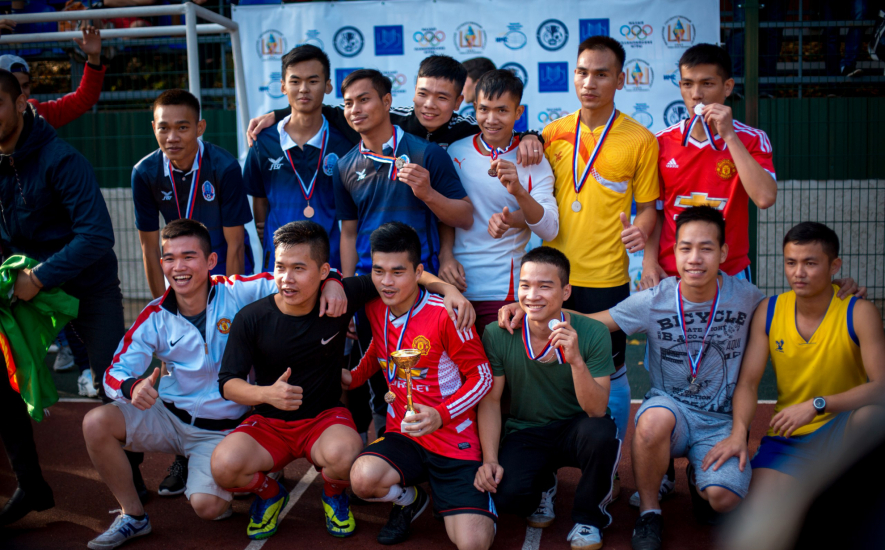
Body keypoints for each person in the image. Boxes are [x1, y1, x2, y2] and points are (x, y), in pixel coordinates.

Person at [211, 220, 473, 541]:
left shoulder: (342, 296)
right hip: (269, 424)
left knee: (349, 454)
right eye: (280, 267)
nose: (287, 278)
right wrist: (266, 394)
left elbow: (403, 274)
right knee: (223, 466)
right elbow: (228, 383)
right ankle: (271, 494)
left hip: (323, 421)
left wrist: (448, 290)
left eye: (298, 268)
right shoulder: (251, 317)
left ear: (323, 271)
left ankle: (333, 494)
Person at [84, 219, 303, 549]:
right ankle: (133, 516)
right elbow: (115, 371)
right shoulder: (154, 315)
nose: (179, 267)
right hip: (170, 417)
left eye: (189, 256)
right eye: (170, 258)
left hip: (221, 431)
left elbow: (292, 278)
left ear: (211, 260)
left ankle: (242, 473)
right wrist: (132, 387)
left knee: (208, 507)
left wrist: (331, 282)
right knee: (96, 423)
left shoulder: (237, 291)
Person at [0, 69, 128, 525]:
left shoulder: (61, 159)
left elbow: (97, 235)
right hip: (29, 291)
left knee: (114, 382)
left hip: (86, 286)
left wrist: (39, 276)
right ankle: (31, 484)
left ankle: (132, 477)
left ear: (20, 104)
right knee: (2, 379)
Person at [540, 34, 659, 482]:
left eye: (602, 74)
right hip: (554, 278)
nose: (590, 82)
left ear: (620, 80)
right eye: (582, 72)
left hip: (608, 278)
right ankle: (547, 476)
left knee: (611, 373)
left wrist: (641, 230)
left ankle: (607, 468)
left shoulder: (639, 139)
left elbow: (649, 209)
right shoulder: (551, 133)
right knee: (552, 373)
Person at [703, 222, 885, 504]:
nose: (798, 272)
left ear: (834, 266)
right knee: (749, 507)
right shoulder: (769, 310)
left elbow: (881, 387)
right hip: (789, 437)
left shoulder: (859, 312)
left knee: (873, 417)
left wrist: (817, 404)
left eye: (810, 263)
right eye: (791, 262)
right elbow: (748, 383)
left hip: (842, 430)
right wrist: (738, 433)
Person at [132, 88, 255, 497]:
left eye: (182, 127)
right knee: (178, 369)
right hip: (181, 278)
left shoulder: (223, 166)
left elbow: (235, 243)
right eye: (163, 128)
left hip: (223, 275)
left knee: (236, 366)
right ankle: (184, 456)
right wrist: (163, 307)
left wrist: (229, 304)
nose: (172, 137)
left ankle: (252, 446)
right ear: (153, 128)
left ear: (199, 127)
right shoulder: (145, 172)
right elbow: (149, 246)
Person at [343, 222, 495, 549]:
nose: (386, 281)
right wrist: (353, 376)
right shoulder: (374, 306)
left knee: (473, 543)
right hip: (405, 433)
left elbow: (482, 378)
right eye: (379, 271)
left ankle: (457, 498)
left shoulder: (447, 314)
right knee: (361, 479)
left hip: (453, 438)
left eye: (398, 272)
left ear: (418, 272)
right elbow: (382, 348)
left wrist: (441, 415)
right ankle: (409, 500)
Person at [477, 246, 619, 550]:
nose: (532, 295)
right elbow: (490, 401)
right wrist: (490, 459)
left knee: (602, 433)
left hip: (576, 427)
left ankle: (589, 518)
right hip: (526, 430)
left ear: (566, 291)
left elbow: (596, 409)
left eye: (544, 286)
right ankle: (544, 483)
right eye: (525, 286)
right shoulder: (498, 333)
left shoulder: (593, 332)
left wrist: (576, 360)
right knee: (507, 498)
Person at [642, 44, 777, 288]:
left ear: (727, 87)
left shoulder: (752, 139)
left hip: (730, 272)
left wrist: (729, 136)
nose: (696, 94)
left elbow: (765, 198)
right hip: (672, 273)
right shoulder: (660, 143)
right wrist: (649, 262)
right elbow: (657, 210)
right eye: (687, 84)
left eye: (707, 83)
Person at [438, 69, 558, 333]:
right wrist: (445, 256)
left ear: (518, 112)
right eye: (484, 109)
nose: (491, 119)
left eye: (502, 110)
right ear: (474, 108)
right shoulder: (456, 150)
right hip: (454, 285)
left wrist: (518, 193)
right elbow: (447, 211)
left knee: (499, 361)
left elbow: (549, 228)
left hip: (504, 290)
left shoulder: (533, 160)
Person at [247, 54, 544, 160]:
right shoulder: (387, 120)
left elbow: (502, 134)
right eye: (422, 94)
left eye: (442, 98)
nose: (429, 105)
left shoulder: (468, 128)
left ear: (458, 102)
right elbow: (328, 110)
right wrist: (278, 114)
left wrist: (531, 137)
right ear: (413, 93)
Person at [243, 45, 353, 272]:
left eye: (313, 81)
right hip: (279, 267)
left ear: (328, 86)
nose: (303, 89)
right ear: (283, 86)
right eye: (295, 81)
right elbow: (260, 201)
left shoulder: (345, 141)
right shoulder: (263, 142)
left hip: (330, 266)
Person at [0, 25, 105, 129]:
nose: (21, 92)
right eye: (14, 86)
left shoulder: (38, 114)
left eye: (25, 85)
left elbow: (85, 97)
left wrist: (93, 57)